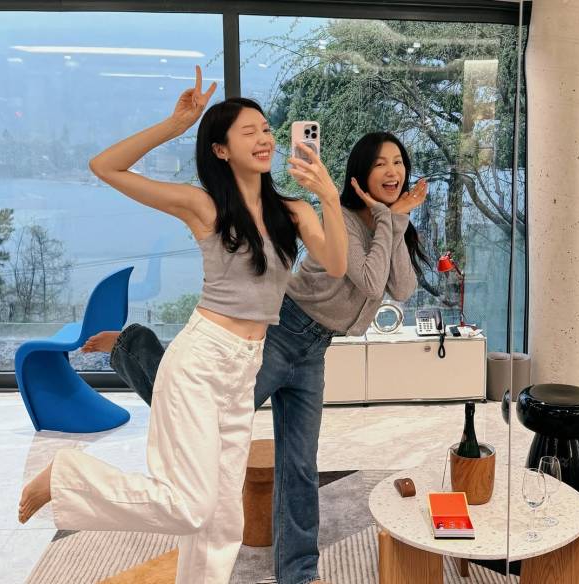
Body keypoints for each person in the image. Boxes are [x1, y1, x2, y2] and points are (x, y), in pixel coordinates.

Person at [18, 66, 348, 584]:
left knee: (222, 522)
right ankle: (68, 475)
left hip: (246, 367)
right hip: (200, 361)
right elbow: (105, 166)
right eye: (249, 132)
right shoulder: (204, 206)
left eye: (266, 129)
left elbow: (337, 264)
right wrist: (176, 125)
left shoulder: (294, 210)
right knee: (191, 506)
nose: (264, 138)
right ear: (221, 149)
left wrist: (327, 195)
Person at [80, 131, 429, 584]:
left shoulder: (390, 224)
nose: (393, 172)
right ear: (360, 174)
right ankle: (131, 345)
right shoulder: (342, 217)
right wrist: (390, 219)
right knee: (194, 412)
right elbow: (369, 279)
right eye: (381, 163)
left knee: (300, 463)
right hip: (282, 331)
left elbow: (401, 287)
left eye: (398, 162)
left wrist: (396, 221)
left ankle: (299, 574)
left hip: (315, 350)